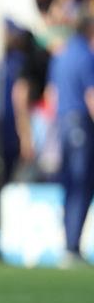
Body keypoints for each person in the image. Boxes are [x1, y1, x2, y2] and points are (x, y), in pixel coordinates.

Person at [47, 15, 94, 267]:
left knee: (70, 185)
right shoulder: (86, 56)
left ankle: (69, 244)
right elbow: (91, 95)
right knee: (80, 185)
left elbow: (51, 95)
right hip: (80, 125)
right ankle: (72, 246)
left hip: (63, 124)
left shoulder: (61, 55)